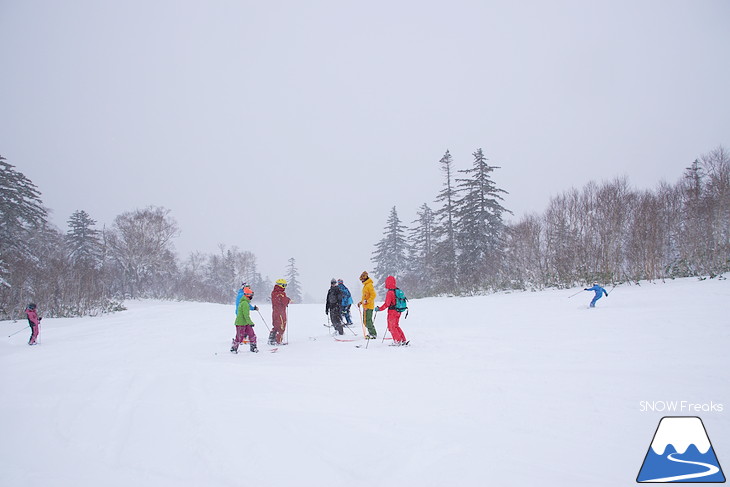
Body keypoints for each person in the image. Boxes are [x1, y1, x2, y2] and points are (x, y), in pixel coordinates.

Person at [375, 275, 408, 346]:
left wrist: (379, 309)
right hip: (398, 311)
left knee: (391, 327)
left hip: (392, 312)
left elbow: (387, 304)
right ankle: (403, 340)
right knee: (396, 326)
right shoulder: (397, 290)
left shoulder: (390, 292)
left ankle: (397, 341)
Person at [231, 287, 258, 353]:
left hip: (246, 323)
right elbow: (246, 315)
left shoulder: (246, 303)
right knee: (240, 337)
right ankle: (234, 348)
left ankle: (253, 347)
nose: (252, 297)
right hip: (241, 323)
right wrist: (250, 322)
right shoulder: (244, 303)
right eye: (251, 296)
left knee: (252, 334)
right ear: (248, 295)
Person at [269, 278, 291, 345]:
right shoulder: (281, 293)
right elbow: (284, 301)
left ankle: (271, 340)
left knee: (276, 326)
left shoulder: (274, 293)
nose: (285, 287)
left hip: (275, 312)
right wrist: (288, 300)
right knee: (281, 326)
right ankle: (278, 341)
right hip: (280, 312)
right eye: (284, 285)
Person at [357, 271, 377, 339]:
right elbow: (365, 296)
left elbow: (373, 295)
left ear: (365, 278)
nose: (361, 281)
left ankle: (373, 334)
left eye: (362, 279)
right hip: (365, 306)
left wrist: (367, 301)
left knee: (368, 321)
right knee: (365, 321)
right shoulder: (365, 285)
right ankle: (370, 333)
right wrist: (361, 302)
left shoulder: (369, 285)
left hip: (369, 306)